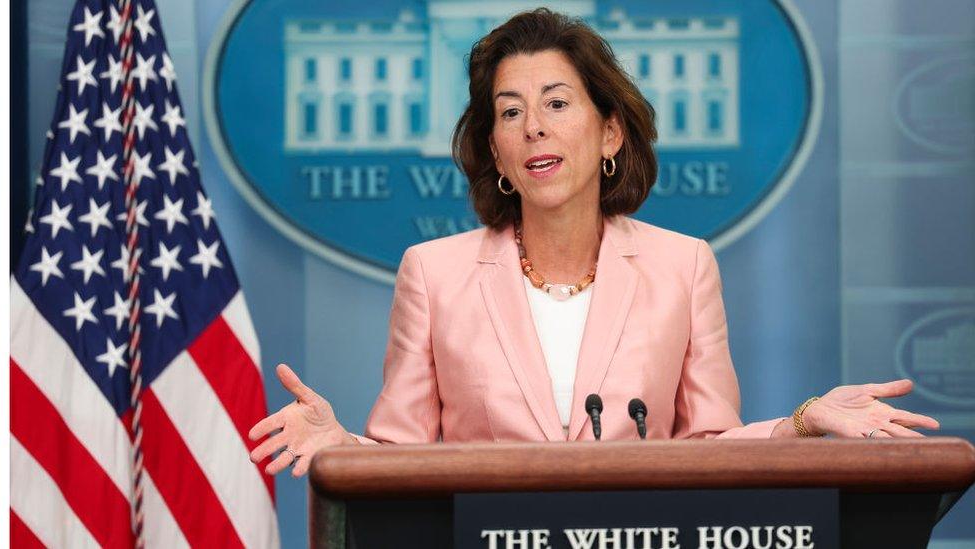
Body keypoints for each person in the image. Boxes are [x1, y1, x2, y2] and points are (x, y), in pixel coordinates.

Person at [249, 9, 939, 478]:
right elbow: (403, 457)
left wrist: (803, 422)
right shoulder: (433, 273)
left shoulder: (681, 266)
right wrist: (345, 447)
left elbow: (708, 450)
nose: (534, 129)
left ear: (609, 132)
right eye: (510, 112)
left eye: (556, 103)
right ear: (494, 147)